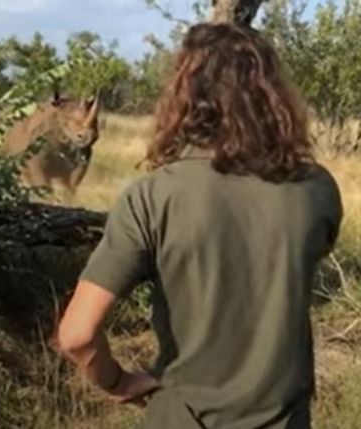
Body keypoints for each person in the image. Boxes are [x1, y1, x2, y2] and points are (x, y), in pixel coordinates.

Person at [54, 22, 343, 428]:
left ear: (182, 97)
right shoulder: (316, 190)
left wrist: (116, 380)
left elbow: (76, 334)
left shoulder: (152, 197)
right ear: (272, 96)